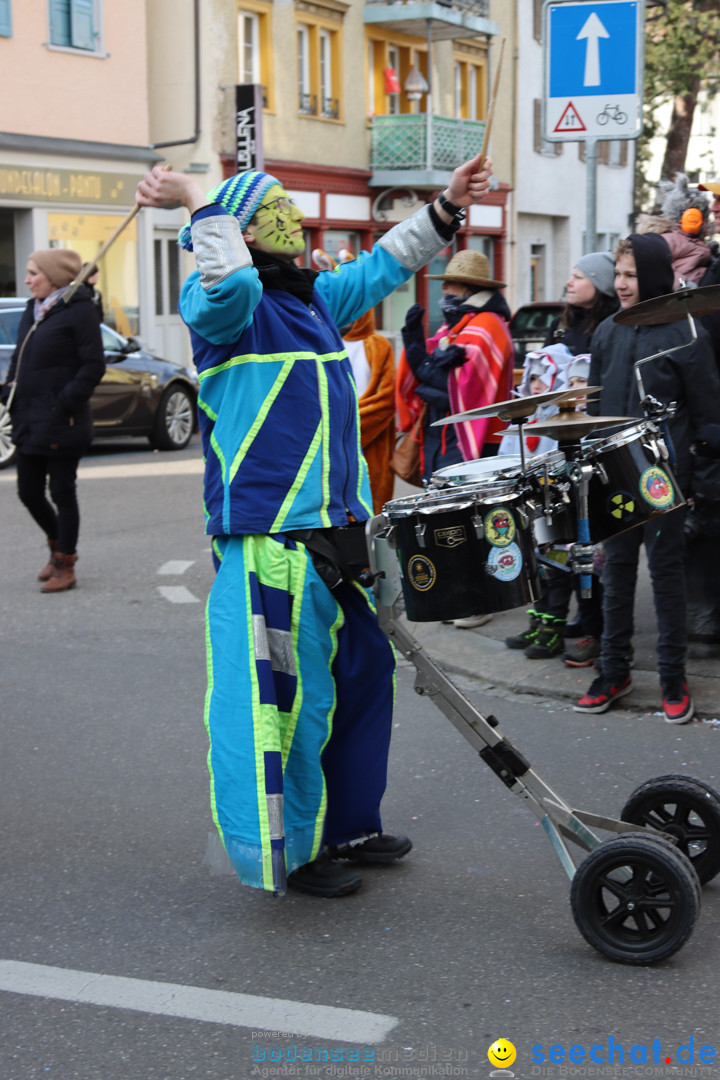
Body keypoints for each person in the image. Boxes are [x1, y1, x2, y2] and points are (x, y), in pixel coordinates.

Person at [135, 155, 494, 898]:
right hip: (273, 537)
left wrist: (449, 205)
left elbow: (387, 263)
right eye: (274, 212)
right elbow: (228, 282)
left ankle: (350, 824)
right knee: (290, 708)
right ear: (245, 230)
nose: (291, 221)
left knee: (362, 680)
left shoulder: (313, 301)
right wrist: (199, 201)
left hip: (342, 530)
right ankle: (295, 851)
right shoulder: (224, 308)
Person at [574, 233, 720, 723]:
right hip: (613, 474)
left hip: (664, 478)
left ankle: (672, 676)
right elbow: (595, 406)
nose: (621, 284)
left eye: (631, 275)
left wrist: (700, 477)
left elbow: (708, 414)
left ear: (655, 275)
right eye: (617, 275)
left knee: (666, 579)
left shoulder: (686, 331)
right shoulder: (608, 331)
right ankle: (614, 670)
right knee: (615, 578)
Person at [1, 250, 105, 593]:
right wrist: (9, 391)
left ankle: (66, 563)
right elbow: (21, 356)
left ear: (55, 277)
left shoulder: (79, 310)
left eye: (33, 273)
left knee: (62, 491)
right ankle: (56, 545)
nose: (28, 279)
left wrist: (63, 403)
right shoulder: (35, 309)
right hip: (29, 417)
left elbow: (93, 366)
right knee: (28, 492)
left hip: (64, 421)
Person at [398, 249, 514, 482]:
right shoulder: (459, 323)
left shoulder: (486, 325)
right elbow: (438, 376)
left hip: (473, 437)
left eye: (449, 283)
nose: (443, 288)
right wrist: (414, 345)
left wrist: (419, 360)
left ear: (468, 287)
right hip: (444, 432)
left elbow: (462, 387)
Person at [312, 249, 396, 514]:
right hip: (334, 441)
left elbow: (386, 397)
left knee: (372, 506)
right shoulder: (323, 341)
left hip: (369, 441)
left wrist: (348, 426)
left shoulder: (379, 346)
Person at [544, 251, 619, 354]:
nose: (569, 282)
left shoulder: (618, 325)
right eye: (572, 276)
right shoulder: (561, 324)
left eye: (578, 277)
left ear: (601, 285)